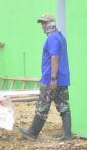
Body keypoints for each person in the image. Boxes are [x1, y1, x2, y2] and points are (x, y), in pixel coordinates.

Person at [20, 13, 72, 141]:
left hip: (50, 79)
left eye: (44, 23)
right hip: (62, 78)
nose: (42, 26)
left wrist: (53, 79)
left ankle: (33, 132)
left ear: (51, 23)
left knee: (42, 105)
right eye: (42, 23)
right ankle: (67, 135)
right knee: (63, 106)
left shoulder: (52, 38)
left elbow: (55, 58)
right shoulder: (60, 37)